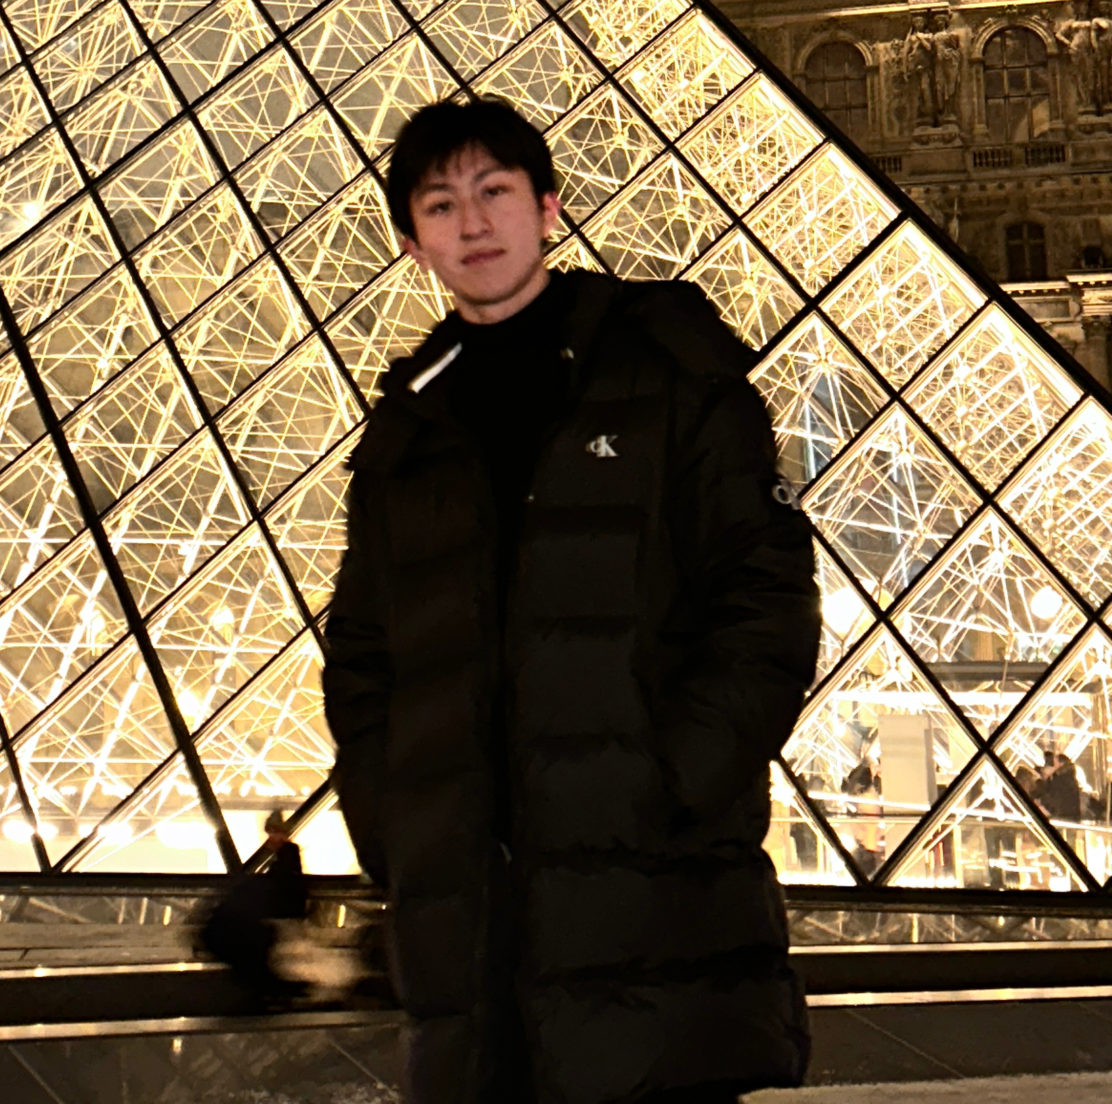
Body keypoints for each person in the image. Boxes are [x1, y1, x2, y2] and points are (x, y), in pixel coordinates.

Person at [322, 98, 821, 1104]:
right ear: (412, 241)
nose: (473, 223)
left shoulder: (669, 368)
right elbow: (363, 655)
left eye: (495, 191)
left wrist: (669, 784)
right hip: (472, 929)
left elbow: (766, 598)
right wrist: (394, 824)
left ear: (549, 207)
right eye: (440, 204)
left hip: (657, 911)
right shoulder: (402, 433)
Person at [198, 808, 308, 1005]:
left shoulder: (285, 859)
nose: (271, 838)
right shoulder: (288, 858)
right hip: (274, 915)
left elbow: (282, 886)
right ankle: (278, 992)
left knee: (254, 959)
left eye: (273, 832)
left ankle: (273, 993)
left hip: (271, 915)